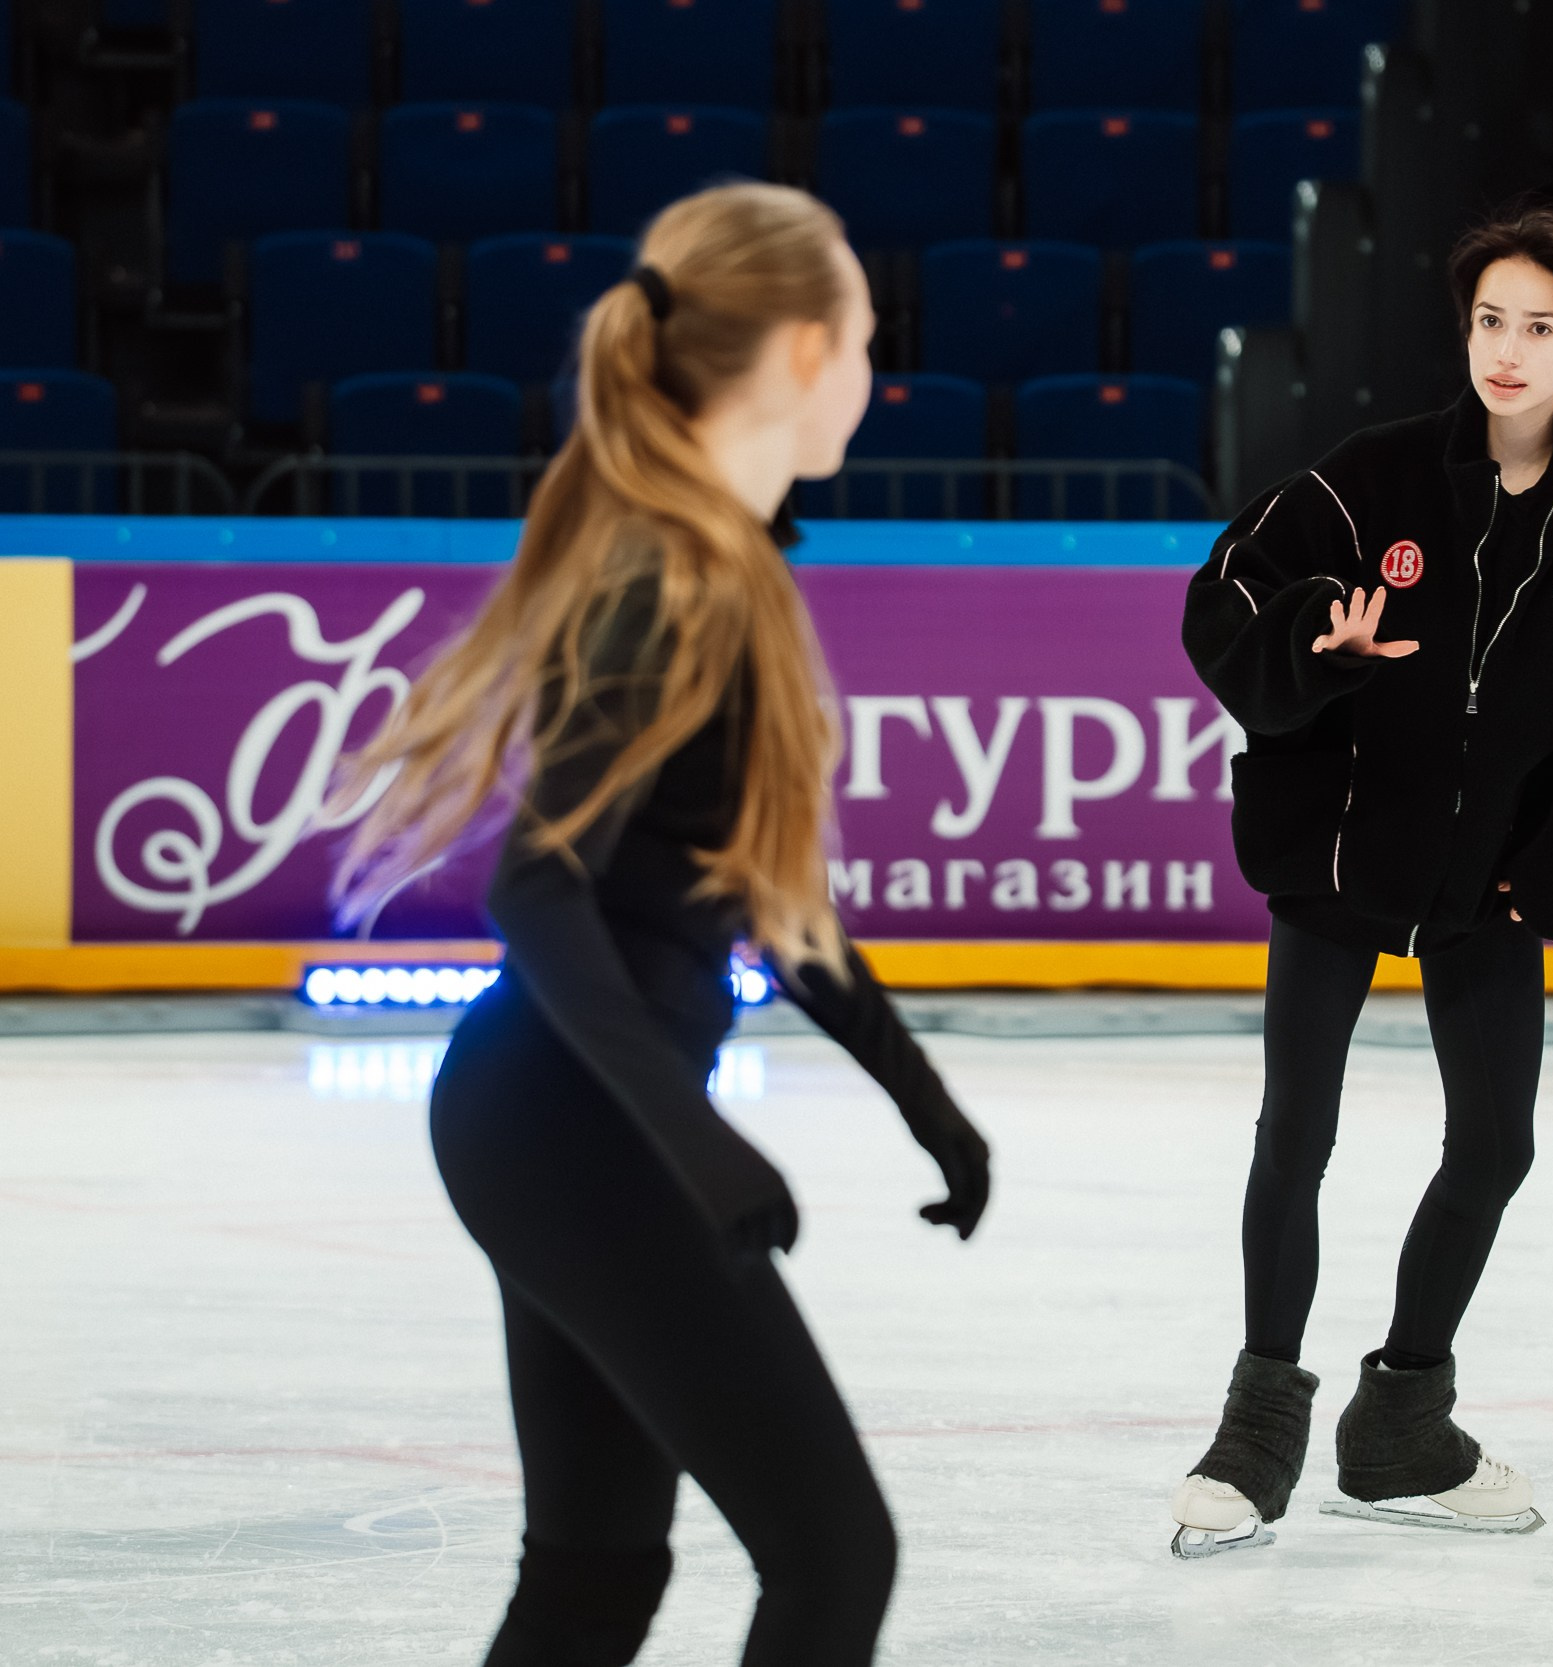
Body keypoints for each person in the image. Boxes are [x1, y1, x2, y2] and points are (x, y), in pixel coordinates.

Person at [332, 184, 990, 1664]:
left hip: (547, 1118)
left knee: (596, 1574)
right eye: (871, 345)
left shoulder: (714, 559)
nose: (878, 383)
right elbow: (535, 884)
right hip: (572, 1125)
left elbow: (766, 894)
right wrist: (690, 1140)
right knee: (834, 1557)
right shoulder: (671, 573)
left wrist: (924, 1100)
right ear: (808, 352)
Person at [1167, 201, 1553, 1557]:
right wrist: (1319, 638)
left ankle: (1403, 1421)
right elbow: (1226, 595)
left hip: (1495, 886)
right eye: (1490, 321)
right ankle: (1258, 1430)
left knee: (1495, 1145)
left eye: (1539, 325)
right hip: (1342, 858)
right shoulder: (1375, 476)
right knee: (1294, 1129)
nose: (1509, 349)